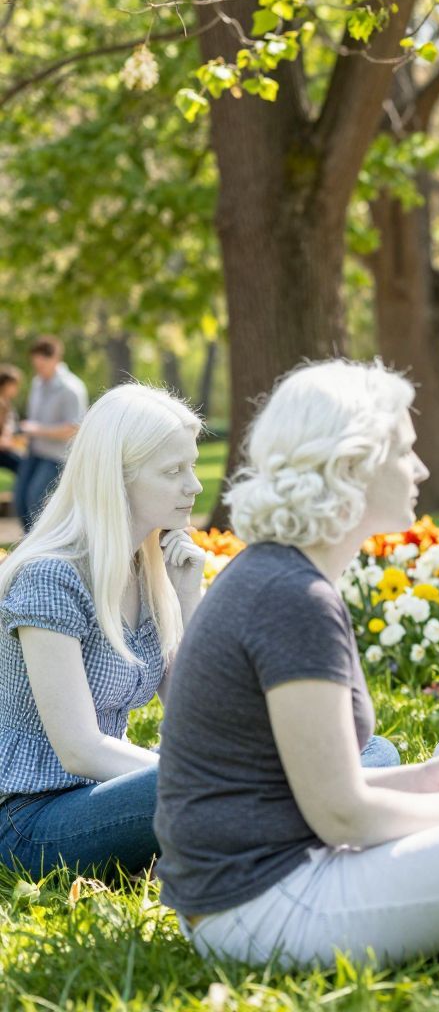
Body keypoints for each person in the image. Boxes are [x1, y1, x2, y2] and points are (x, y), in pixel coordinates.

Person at [154, 361, 439, 972]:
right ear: (353, 465)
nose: (420, 469)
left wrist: (425, 779)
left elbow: (299, 789)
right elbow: (340, 814)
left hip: (254, 889)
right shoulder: (291, 597)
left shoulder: (278, 575)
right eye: (403, 451)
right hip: (260, 908)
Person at [0, 385, 206, 877]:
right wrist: (219, 779)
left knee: (368, 749)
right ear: (117, 477)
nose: (195, 486)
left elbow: (198, 720)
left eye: (193, 466)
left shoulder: (147, 571)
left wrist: (187, 597)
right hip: (32, 819)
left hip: (106, 794)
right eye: (173, 471)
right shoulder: (51, 577)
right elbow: (80, 750)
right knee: (219, 783)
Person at [15, 336, 89, 532]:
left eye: (42, 365)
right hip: (34, 452)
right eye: (36, 365)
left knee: (34, 500)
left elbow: (73, 429)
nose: (39, 370)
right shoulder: (37, 383)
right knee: (20, 500)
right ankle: (30, 541)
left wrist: (37, 429)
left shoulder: (71, 389)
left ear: (55, 359)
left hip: (56, 457)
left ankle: (42, 543)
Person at [0, 364, 24, 476]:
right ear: (6, 385)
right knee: (24, 466)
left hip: (6, 448)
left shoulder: (7, 404)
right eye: (15, 385)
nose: (17, 389)